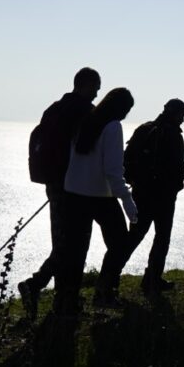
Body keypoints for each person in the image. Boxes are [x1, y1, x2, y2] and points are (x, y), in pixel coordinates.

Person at [18, 67, 101, 320]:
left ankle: (63, 300)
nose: (97, 92)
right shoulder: (86, 111)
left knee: (62, 240)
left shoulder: (54, 108)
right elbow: (89, 150)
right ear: (86, 85)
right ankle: (38, 285)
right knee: (74, 244)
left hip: (53, 183)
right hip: (76, 186)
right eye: (95, 87)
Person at [54, 88, 139, 314]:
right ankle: (104, 293)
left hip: (73, 193)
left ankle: (67, 301)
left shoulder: (86, 121)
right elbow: (112, 171)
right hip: (99, 196)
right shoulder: (112, 127)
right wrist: (128, 201)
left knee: (74, 250)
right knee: (120, 244)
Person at [121, 98, 184, 295]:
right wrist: (176, 186)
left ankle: (109, 279)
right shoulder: (174, 135)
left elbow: (127, 158)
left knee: (133, 236)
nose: (183, 120)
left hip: (141, 192)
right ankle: (152, 279)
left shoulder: (144, 129)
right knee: (162, 237)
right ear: (175, 114)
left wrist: (134, 180)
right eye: (182, 116)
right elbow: (178, 167)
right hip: (164, 197)